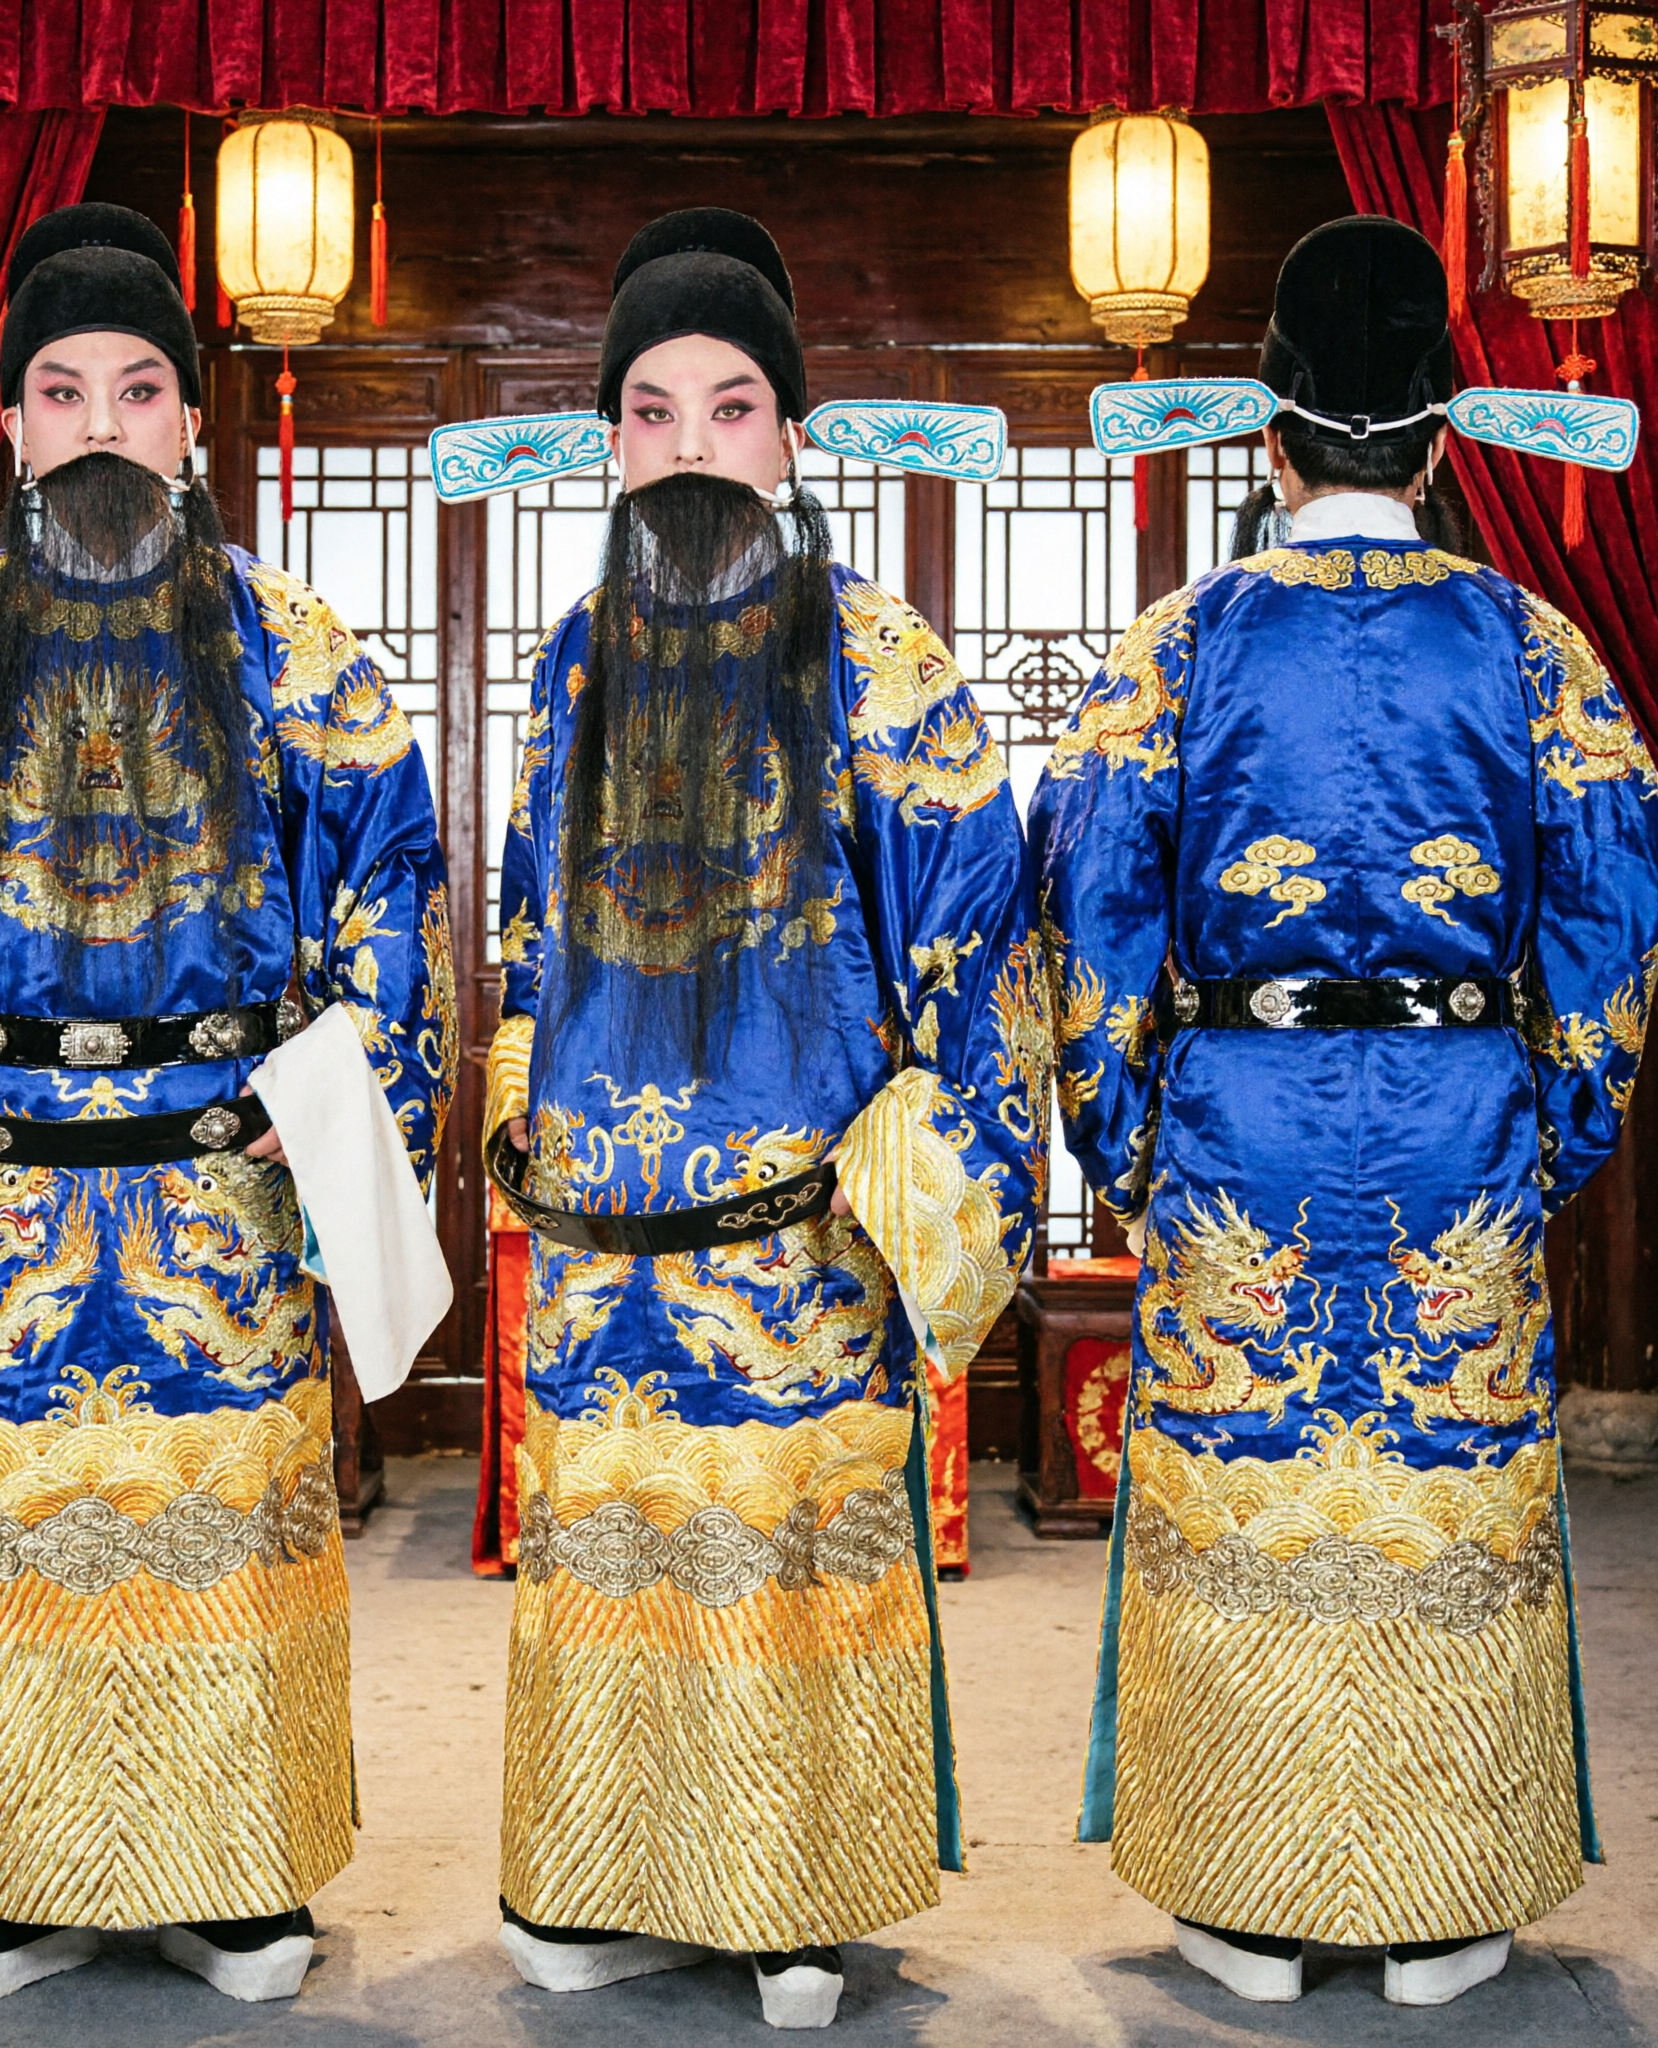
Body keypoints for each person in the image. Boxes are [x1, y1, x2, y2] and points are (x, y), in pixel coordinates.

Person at [0, 204, 454, 2006]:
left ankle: (236, 1878)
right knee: (11, 1541)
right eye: (57, 392)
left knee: (216, 1540)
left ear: (192, 428)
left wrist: (343, 1092)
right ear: (5, 431)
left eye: (138, 391)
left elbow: (396, 886)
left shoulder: (296, 648)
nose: (95, 425)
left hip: (221, 1181)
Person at [1033, 217, 1658, 2008]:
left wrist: (1127, 1131)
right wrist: (1554, 1116)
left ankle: (1243, 1905)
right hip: (1463, 1109)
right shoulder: (1532, 642)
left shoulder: (1181, 643)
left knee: (1257, 1482)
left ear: (1270, 435)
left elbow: (1086, 901)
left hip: (1243, 1111)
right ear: (1444, 443)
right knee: (1442, 1481)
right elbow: (1622, 891)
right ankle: (1449, 1908)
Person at [481, 209, 1047, 2029]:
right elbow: (522, 926)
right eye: (652, 412)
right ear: (613, 442)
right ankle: (594, 1877)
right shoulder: (573, 656)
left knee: (784, 1584)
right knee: (609, 1572)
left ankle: (793, 1902)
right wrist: (513, 1108)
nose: (693, 444)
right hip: (592, 1257)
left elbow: (982, 963)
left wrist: (932, 1207)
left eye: (733, 408)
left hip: (799, 1253)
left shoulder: (887, 665)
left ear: (793, 437)